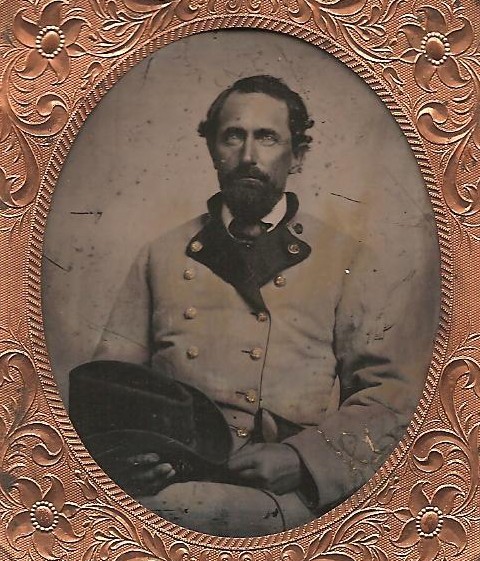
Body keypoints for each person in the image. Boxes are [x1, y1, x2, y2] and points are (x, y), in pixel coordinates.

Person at [89, 75, 439, 536]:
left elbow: (388, 397)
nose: (248, 156)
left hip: (284, 496)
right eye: (233, 136)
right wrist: (129, 457)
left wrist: (303, 459)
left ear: (298, 155)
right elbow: (109, 386)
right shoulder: (161, 255)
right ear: (213, 149)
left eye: (267, 137)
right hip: (171, 483)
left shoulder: (348, 259)